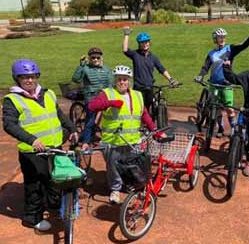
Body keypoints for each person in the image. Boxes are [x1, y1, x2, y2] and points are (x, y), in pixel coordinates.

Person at [2, 59, 78, 231]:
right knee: (35, 185)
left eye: (33, 76)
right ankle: (32, 219)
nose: (29, 80)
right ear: (17, 79)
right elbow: (9, 124)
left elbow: (59, 115)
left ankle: (53, 206)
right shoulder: (12, 100)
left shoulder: (48, 93)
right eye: (24, 77)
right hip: (32, 152)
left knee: (55, 178)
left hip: (55, 146)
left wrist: (72, 128)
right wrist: (32, 140)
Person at [87, 65, 159, 204]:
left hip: (132, 140)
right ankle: (115, 189)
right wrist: (110, 103)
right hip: (113, 140)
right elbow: (92, 106)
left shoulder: (137, 95)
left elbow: (143, 113)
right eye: (119, 79)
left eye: (125, 79)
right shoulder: (107, 93)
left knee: (133, 165)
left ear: (129, 81)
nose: (122, 82)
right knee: (113, 166)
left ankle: (130, 185)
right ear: (115, 80)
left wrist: (153, 128)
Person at [195, 28, 249, 138]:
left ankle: (233, 128)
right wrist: (201, 76)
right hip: (214, 84)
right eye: (220, 37)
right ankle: (220, 127)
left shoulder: (230, 49)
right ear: (215, 39)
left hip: (227, 84)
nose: (222, 39)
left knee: (229, 108)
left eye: (223, 37)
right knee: (216, 108)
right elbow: (205, 67)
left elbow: (243, 46)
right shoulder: (211, 54)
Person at [121, 27, 179, 112]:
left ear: (149, 43)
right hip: (139, 87)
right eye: (142, 43)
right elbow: (125, 50)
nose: (145, 44)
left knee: (148, 108)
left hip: (149, 86)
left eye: (146, 42)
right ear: (139, 44)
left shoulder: (153, 57)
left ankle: (149, 123)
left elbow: (161, 69)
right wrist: (126, 35)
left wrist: (171, 79)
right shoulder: (135, 55)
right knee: (139, 108)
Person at [72, 47, 113, 148]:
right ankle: (86, 142)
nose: (95, 60)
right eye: (93, 58)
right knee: (90, 121)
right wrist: (81, 66)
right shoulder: (85, 68)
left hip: (104, 98)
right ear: (89, 59)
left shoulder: (106, 69)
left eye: (98, 58)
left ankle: (109, 138)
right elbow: (76, 79)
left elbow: (111, 84)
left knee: (110, 117)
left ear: (101, 58)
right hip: (91, 98)